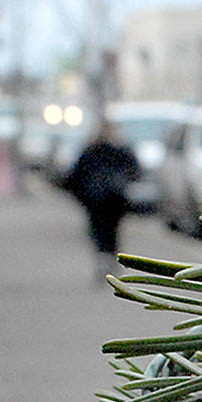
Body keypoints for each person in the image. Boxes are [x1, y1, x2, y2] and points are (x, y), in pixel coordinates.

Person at [64, 121, 140, 282]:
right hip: (112, 200)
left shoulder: (91, 151)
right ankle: (109, 259)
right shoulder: (119, 151)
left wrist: (83, 196)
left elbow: (74, 177)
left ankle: (104, 260)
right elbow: (136, 171)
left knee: (99, 231)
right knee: (111, 231)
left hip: (97, 200)